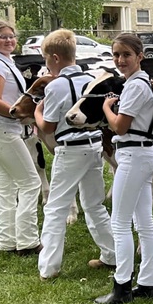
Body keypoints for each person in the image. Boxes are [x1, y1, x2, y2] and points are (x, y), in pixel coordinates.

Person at [34, 29, 116, 280]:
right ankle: (112, 254)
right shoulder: (91, 78)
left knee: (56, 207)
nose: (46, 65)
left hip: (70, 149)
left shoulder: (56, 85)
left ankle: (48, 267)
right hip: (94, 146)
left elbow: (47, 126)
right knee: (94, 204)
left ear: (55, 58)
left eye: (47, 59)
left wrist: (38, 111)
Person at [94, 33, 153, 304]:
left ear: (139, 57)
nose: (120, 60)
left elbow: (119, 126)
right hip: (144, 152)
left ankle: (121, 286)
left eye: (126, 55)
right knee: (143, 222)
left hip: (134, 154)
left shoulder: (135, 86)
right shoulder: (146, 84)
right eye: (116, 55)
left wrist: (106, 108)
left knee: (120, 222)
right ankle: (148, 282)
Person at [0, 20, 42, 255]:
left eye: (11, 36)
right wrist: (21, 114)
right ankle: (27, 241)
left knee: (7, 185)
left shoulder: (4, 62)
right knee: (30, 183)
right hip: (0, 128)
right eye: (1, 36)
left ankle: (7, 240)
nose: (8, 40)